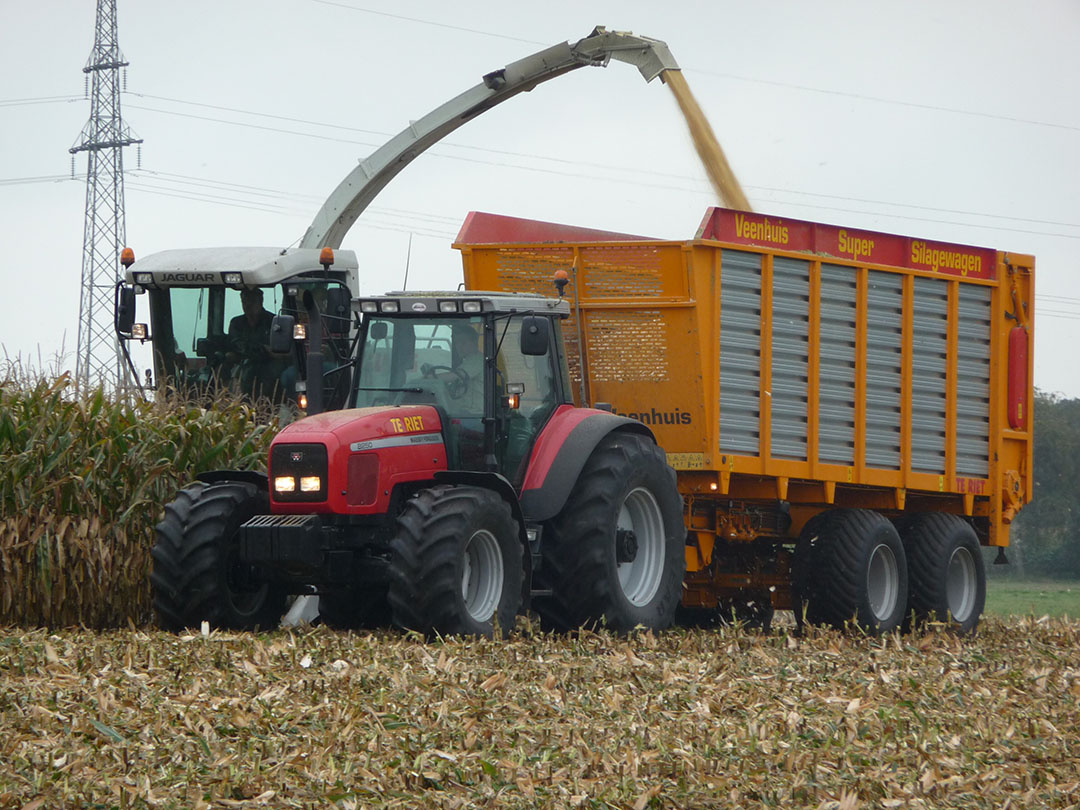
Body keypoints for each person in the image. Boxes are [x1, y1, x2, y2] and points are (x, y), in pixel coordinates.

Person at [226, 288, 278, 398]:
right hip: (241, 361)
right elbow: (235, 344)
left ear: (261, 301)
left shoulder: (273, 321)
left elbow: (277, 349)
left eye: (252, 301)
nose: (248, 305)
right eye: (244, 301)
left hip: (268, 363)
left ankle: (264, 406)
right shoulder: (236, 323)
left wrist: (264, 350)